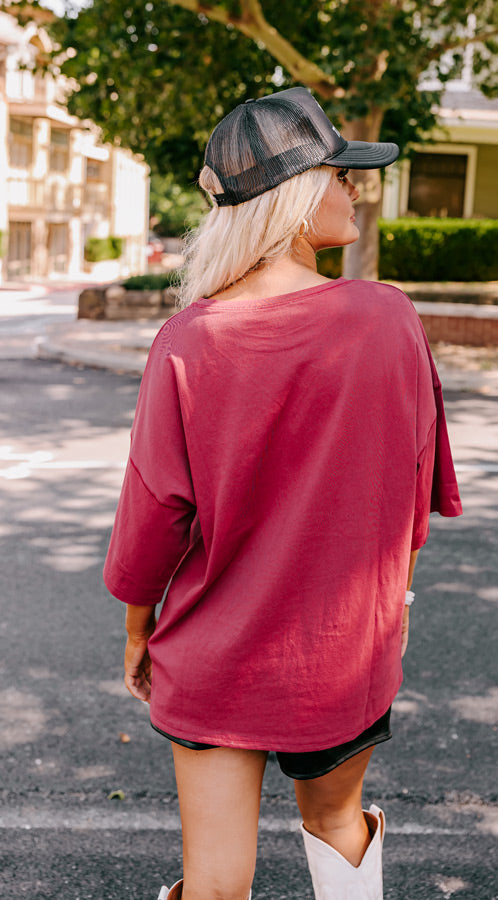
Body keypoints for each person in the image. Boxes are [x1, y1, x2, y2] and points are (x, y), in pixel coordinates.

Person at [103, 86, 463, 900]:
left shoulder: (189, 338)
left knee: (217, 884)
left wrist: (138, 627)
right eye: (342, 173)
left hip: (213, 653)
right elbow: (414, 486)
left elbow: (155, 511)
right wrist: (394, 603)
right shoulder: (389, 318)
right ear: (299, 194)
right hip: (341, 650)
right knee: (339, 830)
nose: (356, 190)